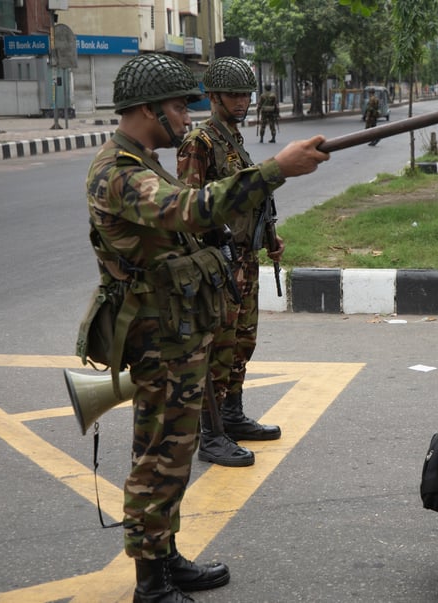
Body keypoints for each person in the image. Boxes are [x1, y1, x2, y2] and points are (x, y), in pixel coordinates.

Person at [86, 53, 329, 602]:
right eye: (177, 106)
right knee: (157, 458)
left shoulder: (141, 159)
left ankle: (167, 559)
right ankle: (151, 585)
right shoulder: (118, 172)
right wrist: (275, 170)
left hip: (175, 329)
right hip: (157, 334)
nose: (185, 116)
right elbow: (190, 209)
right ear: (147, 109)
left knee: (174, 453)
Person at [177, 56, 283, 469]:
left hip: (246, 258)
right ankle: (211, 434)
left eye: (246, 94)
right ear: (214, 96)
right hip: (220, 262)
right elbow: (188, 209)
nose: (242, 101)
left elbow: (252, 198)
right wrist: (209, 259)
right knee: (218, 348)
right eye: (234, 94)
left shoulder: (233, 140)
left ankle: (233, 415)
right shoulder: (199, 143)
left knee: (241, 343)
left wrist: (270, 238)